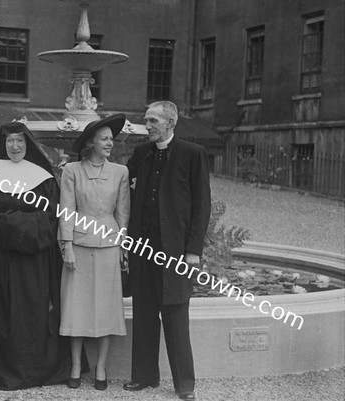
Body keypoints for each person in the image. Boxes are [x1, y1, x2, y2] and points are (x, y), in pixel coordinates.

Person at [0, 122, 71, 390]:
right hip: (1, 259)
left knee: (34, 311)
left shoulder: (43, 178)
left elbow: (51, 218)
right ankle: (1, 367)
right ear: (3, 145)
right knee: (4, 312)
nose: (15, 146)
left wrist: (11, 224)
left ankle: (35, 369)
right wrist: (22, 224)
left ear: (28, 144)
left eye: (20, 141)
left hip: (35, 260)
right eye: (10, 141)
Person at [123, 101, 211, 400]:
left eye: (152, 121)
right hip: (142, 248)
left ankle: (185, 384)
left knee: (175, 314)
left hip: (175, 251)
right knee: (144, 311)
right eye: (146, 120)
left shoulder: (192, 154)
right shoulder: (141, 153)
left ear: (170, 122)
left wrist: (193, 250)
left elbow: (201, 205)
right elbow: (121, 182)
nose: (146, 126)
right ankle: (144, 376)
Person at [58, 114, 130, 390]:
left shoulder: (120, 172)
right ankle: (76, 365)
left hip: (109, 246)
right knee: (76, 307)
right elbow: (67, 210)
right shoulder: (72, 171)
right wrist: (67, 247)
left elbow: (123, 212)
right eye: (104, 139)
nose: (110, 143)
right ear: (90, 143)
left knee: (107, 308)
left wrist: (123, 246)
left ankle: (101, 367)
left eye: (111, 139)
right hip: (79, 244)